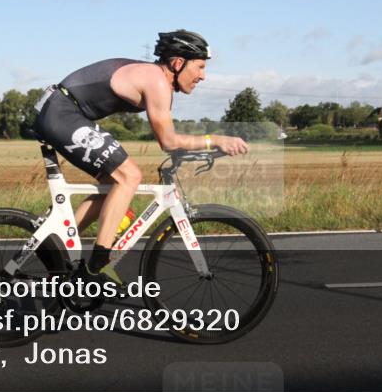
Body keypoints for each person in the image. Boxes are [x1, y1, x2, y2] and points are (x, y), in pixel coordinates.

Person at [33, 30, 249, 284]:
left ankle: (52, 241)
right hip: (62, 113)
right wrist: (216, 140)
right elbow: (168, 141)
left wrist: (207, 147)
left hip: (60, 110)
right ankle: (97, 266)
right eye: (200, 67)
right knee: (129, 176)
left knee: (114, 184)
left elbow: (171, 141)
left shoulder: (155, 77)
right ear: (178, 63)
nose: (203, 75)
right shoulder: (156, 81)